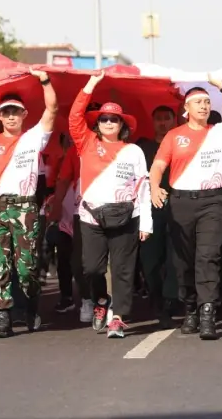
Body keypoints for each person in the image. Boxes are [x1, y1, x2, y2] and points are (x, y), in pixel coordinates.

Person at [150, 77, 222, 340]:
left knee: (209, 257)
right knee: (184, 261)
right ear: (187, 108)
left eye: (207, 102)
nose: (205, 106)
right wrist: (154, 187)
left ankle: (208, 312)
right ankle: (190, 308)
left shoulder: (219, 132)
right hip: (181, 202)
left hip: (212, 202)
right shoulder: (174, 136)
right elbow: (159, 166)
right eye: (198, 102)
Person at [0, 69, 57, 338]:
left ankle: (31, 305)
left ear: (24, 115)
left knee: (26, 267)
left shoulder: (34, 138)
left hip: (25, 209)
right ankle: (3, 318)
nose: (10, 116)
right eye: (5, 112)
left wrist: (44, 80)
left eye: (15, 112)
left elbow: (52, 107)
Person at [69, 71, 152, 338]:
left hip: (126, 217)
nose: (108, 122)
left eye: (113, 119)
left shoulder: (134, 151)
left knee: (123, 270)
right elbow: (74, 117)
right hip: (91, 217)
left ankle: (118, 317)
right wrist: (91, 85)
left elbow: (143, 186)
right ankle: (101, 301)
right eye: (103, 118)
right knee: (91, 268)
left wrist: (146, 221)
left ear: (121, 124)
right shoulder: (86, 142)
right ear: (97, 123)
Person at [135, 105, 180, 329]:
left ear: (174, 120)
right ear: (153, 122)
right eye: (159, 119)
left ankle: (171, 300)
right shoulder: (142, 149)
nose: (163, 123)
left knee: (175, 258)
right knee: (150, 259)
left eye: (167, 118)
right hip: (149, 209)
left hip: (178, 207)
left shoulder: (180, 145)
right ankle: (156, 299)